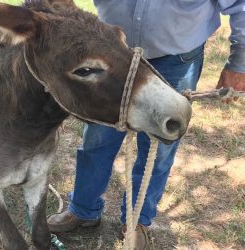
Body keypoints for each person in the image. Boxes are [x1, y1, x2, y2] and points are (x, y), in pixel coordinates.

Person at [47, 0, 245, 249]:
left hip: (175, 60)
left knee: (159, 148)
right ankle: (83, 210)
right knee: (96, 139)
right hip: (112, 56)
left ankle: (137, 219)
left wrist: (240, 61)